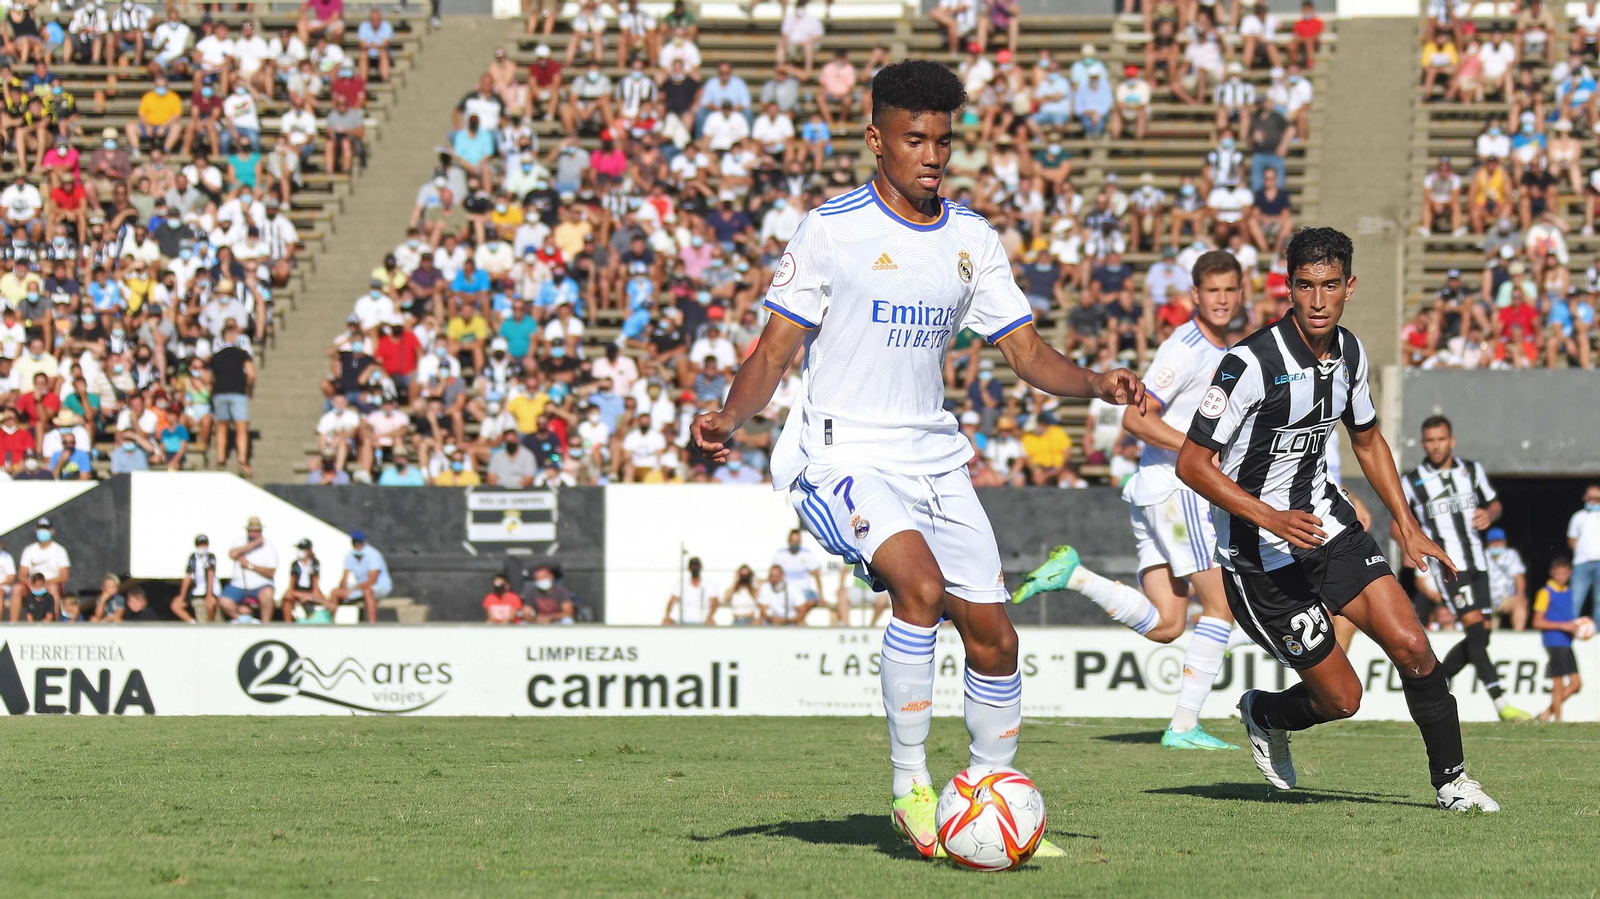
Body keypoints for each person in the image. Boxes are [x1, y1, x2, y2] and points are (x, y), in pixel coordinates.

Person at [690, 59, 1142, 857]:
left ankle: (992, 799)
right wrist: (729, 414)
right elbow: (774, 350)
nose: (931, 154)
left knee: (996, 638)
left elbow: (1028, 354)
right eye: (913, 139)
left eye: (942, 139)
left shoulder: (972, 240)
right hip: (841, 455)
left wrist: (1096, 383)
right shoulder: (832, 229)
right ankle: (912, 789)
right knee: (920, 588)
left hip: (933, 457)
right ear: (876, 140)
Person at [1174, 227, 1497, 811]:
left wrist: (1405, 522)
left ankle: (1453, 783)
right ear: (1288, 289)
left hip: (1331, 529)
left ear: (1349, 287)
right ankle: (1264, 712)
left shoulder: (1351, 352)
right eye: (1305, 286)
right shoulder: (1247, 363)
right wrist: (1268, 516)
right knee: (1343, 699)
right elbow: (1192, 464)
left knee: (1415, 648)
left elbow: (1368, 440)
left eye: (1329, 286)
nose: (1318, 300)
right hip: (1260, 558)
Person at [1014, 250, 1249, 750]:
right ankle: (1184, 727)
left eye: (1230, 289)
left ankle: (1073, 575)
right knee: (1221, 605)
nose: (1223, 299)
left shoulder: (1216, 347)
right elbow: (1135, 419)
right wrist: (1198, 452)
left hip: (1154, 490)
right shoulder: (1184, 349)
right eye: (1213, 291)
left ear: (1241, 292)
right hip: (1175, 489)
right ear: (1195, 297)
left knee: (1167, 624)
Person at [1398, 415, 1531, 721]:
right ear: (1423, 444)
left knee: (1480, 637)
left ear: (1451, 440)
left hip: (1479, 564)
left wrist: (1490, 514)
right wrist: (1407, 542)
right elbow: (1398, 522)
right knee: (1474, 628)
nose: (1435, 446)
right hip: (1448, 567)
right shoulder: (1412, 482)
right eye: (1430, 440)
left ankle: (1435, 685)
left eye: (1441, 439)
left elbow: (1494, 504)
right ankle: (1502, 705)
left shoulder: (1471, 471)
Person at [1533, 556, 1589, 721]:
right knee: (1558, 682)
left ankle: (1545, 714)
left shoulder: (1570, 592)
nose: (1560, 577)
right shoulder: (1545, 593)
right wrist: (1564, 626)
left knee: (1575, 684)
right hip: (1554, 641)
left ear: (1570, 573)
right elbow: (1537, 621)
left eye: (1564, 573)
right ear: (1551, 573)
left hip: (1566, 641)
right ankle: (1558, 720)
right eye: (1557, 574)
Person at [221, 516, 278, 622]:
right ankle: (242, 619)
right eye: (251, 531)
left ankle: (265, 624)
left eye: (256, 531)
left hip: (261, 584)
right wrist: (253, 545)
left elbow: (271, 572)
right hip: (238, 584)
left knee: (267, 595)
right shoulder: (239, 542)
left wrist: (250, 566)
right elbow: (232, 554)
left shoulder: (268, 547)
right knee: (224, 601)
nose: (254, 533)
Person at [328, 531, 391, 624]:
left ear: (364, 542)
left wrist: (352, 589)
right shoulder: (349, 556)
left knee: (367, 591)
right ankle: (330, 622)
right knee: (335, 592)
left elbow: (372, 581)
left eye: (359, 542)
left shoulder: (373, 555)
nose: (357, 545)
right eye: (355, 542)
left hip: (379, 587)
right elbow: (345, 577)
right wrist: (342, 589)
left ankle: (372, 624)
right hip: (360, 587)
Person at [12, 517, 69, 621]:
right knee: (16, 588)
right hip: (32, 583)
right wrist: (31, 583)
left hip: (51, 582)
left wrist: (45, 583)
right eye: (40, 529)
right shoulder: (29, 550)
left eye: (46, 529)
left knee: (52, 588)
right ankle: (13, 624)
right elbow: (22, 574)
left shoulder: (59, 550)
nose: (43, 532)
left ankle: (53, 621)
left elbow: (64, 576)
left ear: (52, 531)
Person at [1566, 483, 1600, 619]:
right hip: (1581, 564)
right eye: (1590, 497)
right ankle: (1570, 631)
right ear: (1584, 498)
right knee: (1575, 599)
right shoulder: (1577, 517)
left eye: (1597, 498)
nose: (1593, 500)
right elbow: (1571, 540)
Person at [772, 528, 823, 612]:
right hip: (786, 591)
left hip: (804, 590)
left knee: (812, 601)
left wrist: (821, 596)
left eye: (797, 541)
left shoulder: (807, 554)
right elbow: (774, 572)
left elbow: (816, 575)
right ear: (788, 541)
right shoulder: (781, 554)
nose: (795, 544)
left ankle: (797, 619)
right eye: (793, 541)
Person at [175, 533, 219, 623]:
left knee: (211, 604)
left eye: (204, 544)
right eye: (200, 544)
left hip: (209, 590)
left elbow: (210, 575)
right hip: (196, 590)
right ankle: (192, 622)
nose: (202, 547)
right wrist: (182, 596)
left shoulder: (210, 557)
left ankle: (210, 625)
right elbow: (188, 576)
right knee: (176, 605)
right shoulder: (193, 557)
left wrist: (209, 594)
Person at [282, 538, 326, 622]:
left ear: (309, 550)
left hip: (310, 591)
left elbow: (315, 587)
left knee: (323, 600)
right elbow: (291, 586)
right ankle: (288, 624)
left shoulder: (314, 563)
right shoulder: (295, 564)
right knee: (287, 599)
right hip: (297, 591)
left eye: (302, 549)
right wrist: (299, 595)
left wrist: (309, 596)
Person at [663, 555, 716, 624]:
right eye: (693, 566)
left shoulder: (709, 584)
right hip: (683, 621)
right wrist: (667, 615)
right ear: (689, 568)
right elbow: (672, 600)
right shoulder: (681, 584)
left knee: (712, 624)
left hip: (703, 621)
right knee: (666, 623)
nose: (695, 568)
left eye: (696, 566)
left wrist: (710, 616)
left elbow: (715, 602)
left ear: (700, 567)